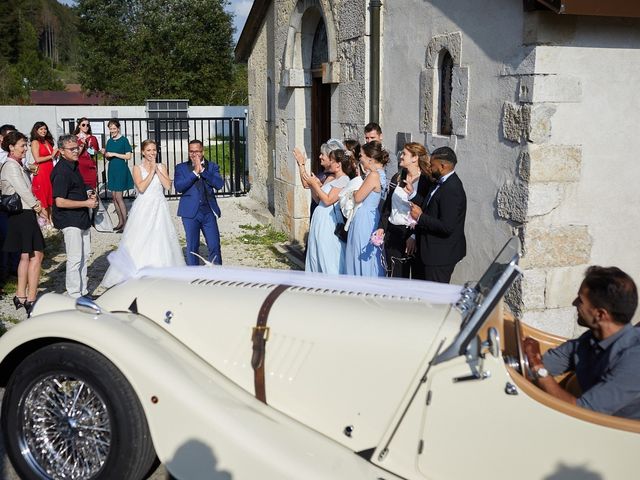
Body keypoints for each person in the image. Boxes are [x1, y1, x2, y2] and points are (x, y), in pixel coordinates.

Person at [524, 266, 640, 419]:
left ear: (600, 314)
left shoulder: (634, 359)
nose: (574, 303)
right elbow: (544, 364)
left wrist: (538, 367)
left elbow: (583, 413)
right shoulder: (590, 339)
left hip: (619, 437)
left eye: (580, 300)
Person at [102, 140, 185, 287]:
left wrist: (157, 170)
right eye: (149, 150)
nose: (152, 153)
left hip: (159, 206)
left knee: (161, 237)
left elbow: (167, 186)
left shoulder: (162, 166)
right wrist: (151, 171)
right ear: (143, 152)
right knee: (139, 238)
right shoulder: (137, 168)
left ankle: (161, 270)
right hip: (144, 206)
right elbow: (141, 188)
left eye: (154, 150)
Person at [0, 131, 45, 316]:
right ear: (11, 147)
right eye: (22, 145)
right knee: (37, 255)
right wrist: (38, 206)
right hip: (24, 213)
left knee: (26, 256)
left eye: (26, 145)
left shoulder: (17, 164)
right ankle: (31, 297)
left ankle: (20, 295)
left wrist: (29, 170)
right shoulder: (11, 166)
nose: (25, 148)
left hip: (21, 214)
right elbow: (23, 190)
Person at [409, 146, 466, 283]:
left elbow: (447, 226)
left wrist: (420, 217)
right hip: (427, 252)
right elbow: (431, 206)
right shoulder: (439, 182)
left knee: (434, 300)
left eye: (432, 165)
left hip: (440, 256)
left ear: (442, 166)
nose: (429, 167)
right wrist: (412, 195)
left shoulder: (452, 189)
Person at [51, 135, 98, 298]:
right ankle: (74, 294)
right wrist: (86, 203)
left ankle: (83, 290)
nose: (76, 151)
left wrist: (88, 191)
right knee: (75, 258)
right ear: (62, 151)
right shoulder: (61, 172)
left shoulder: (73, 165)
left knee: (85, 256)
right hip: (69, 220)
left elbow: (78, 185)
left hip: (81, 218)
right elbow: (60, 202)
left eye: (77, 147)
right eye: (72, 149)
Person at [375, 142, 432, 278]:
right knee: (395, 276)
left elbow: (426, 209)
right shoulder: (398, 177)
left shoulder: (425, 181)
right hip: (393, 233)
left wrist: (413, 236)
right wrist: (382, 227)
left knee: (416, 278)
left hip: (411, 234)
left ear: (415, 158)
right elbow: (388, 205)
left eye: (404, 154)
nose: (400, 156)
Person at [296, 147, 354, 273]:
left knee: (326, 253)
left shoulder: (344, 179)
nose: (329, 163)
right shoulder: (332, 178)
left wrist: (315, 185)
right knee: (316, 252)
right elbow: (318, 200)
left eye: (332, 161)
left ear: (338, 165)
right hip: (320, 221)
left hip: (329, 222)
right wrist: (313, 186)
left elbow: (328, 200)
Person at [175, 139, 224, 265]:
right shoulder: (181, 168)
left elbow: (219, 184)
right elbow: (179, 187)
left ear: (202, 152)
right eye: (191, 151)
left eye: (197, 151)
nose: (194, 154)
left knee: (214, 245)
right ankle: (194, 275)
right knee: (192, 246)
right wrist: (194, 173)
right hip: (190, 213)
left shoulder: (212, 166)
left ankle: (217, 273)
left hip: (208, 211)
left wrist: (203, 171)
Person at [344, 140, 387, 277]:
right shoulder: (378, 173)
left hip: (365, 218)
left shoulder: (374, 175)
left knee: (360, 252)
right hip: (368, 215)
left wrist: (353, 191)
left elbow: (358, 197)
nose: (360, 158)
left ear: (370, 158)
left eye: (361, 155)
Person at [101, 119, 133, 232]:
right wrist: (104, 153)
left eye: (114, 128)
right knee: (114, 197)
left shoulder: (124, 140)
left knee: (119, 197)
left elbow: (128, 156)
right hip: (112, 169)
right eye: (110, 128)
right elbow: (108, 157)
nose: (112, 130)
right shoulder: (109, 141)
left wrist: (114, 154)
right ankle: (120, 222)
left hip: (120, 169)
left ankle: (126, 224)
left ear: (118, 128)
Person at [29, 121, 57, 227]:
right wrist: (52, 156)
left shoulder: (47, 141)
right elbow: (37, 159)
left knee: (50, 196)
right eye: (41, 129)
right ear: (36, 131)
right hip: (42, 172)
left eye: (45, 128)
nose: (43, 131)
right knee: (43, 197)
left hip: (50, 170)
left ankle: (51, 220)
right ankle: (46, 223)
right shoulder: (35, 142)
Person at [73, 117, 100, 190]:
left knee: (92, 190)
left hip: (90, 166)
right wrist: (82, 145)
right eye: (83, 125)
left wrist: (89, 147)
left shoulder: (93, 138)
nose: (86, 127)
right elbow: (74, 154)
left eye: (88, 125)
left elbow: (96, 152)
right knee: (80, 190)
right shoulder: (74, 138)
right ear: (79, 126)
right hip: (79, 166)